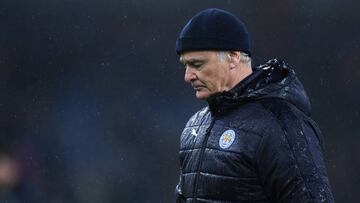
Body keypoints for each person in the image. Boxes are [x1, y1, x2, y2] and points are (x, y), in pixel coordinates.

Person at [174, 8, 334, 203]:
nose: (187, 76)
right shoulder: (194, 126)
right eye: (185, 65)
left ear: (233, 58)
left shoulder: (281, 123)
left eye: (197, 65)